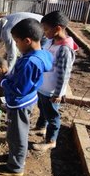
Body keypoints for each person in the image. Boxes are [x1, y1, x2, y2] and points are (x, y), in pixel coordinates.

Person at [0, 18, 53, 176]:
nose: (16, 45)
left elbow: (19, 89)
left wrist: (3, 81)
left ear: (27, 41)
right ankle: (15, 157)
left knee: (17, 135)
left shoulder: (30, 62)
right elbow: (25, 80)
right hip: (27, 100)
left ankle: (16, 167)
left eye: (17, 41)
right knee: (16, 133)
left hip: (20, 103)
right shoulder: (41, 54)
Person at [32, 11, 78, 151]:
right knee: (43, 109)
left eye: (46, 29)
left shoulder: (64, 49)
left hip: (52, 90)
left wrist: (58, 93)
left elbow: (64, 74)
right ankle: (40, 127)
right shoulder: (51, 42)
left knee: (52, 116)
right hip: (43, 86)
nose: (44, 33)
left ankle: (51, 141)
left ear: (58, 28)